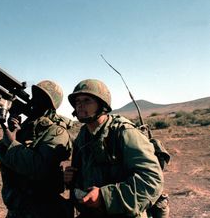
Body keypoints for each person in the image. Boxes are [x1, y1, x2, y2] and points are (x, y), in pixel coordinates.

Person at [64, 79, 164, 218]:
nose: (80, 105)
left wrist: (104, 196)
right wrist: (72, 179)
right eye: (77, 101)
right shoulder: (83, 136)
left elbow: (151, 181)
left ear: (102, 105)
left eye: (87, 100)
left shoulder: (124, 132)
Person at [0, 80, 73, 218]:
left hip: (43, 210)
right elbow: (1, 154)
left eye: (43, 99)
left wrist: (12, 144)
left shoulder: (56, 132)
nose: (36, 102)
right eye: (35, 96)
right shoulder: (27, 127)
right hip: (17, 208)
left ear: (51, 107)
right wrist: (13, 132)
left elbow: (38, 167)